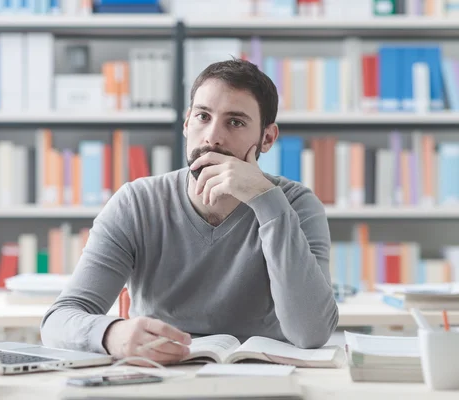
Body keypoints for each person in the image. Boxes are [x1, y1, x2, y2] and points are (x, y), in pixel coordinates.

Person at [40, 58, 339, 365]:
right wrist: (111, 334)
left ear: (267, 138)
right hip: (161, 376)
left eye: (235, 122)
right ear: (186, 124)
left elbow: (311, 332)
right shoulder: (137, 203)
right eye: (202, 116)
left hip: (265, 378)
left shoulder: (297, 204)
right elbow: (58, 320)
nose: (212, 136)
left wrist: (266, 201)